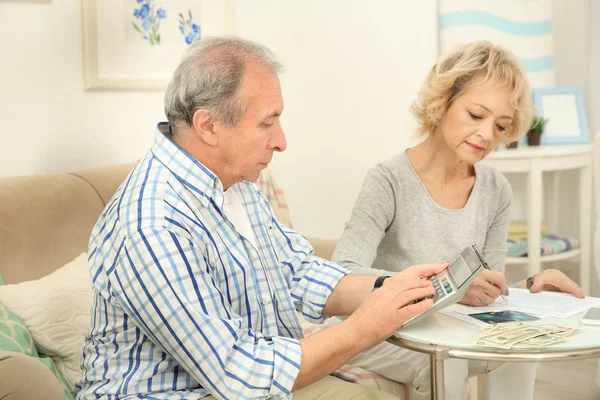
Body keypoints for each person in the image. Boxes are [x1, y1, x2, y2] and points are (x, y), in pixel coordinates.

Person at [74, 36, 449, 400]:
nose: (281, 141)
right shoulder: (152, 226)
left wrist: (394, 287)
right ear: (208, 126)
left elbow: (294, 271)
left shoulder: (234, 181)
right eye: (267, 123)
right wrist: (365, 327)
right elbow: (238, 372)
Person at [329, 40, 585, 400]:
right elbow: (342, 273)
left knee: (519, 352)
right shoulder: (388, 180)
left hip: (449, 327)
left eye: (501, 126)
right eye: (476, 115)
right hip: (385, 332)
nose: (486, 135)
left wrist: (532, 287)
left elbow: (486, 292)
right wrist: (447, 284)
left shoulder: (496, 189)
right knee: (449, 359)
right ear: (442, 103)